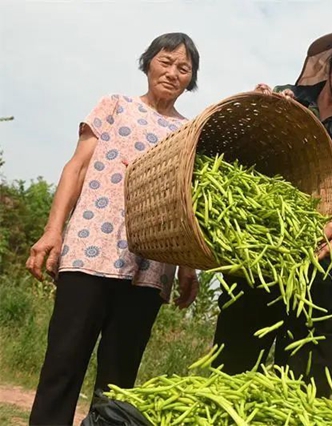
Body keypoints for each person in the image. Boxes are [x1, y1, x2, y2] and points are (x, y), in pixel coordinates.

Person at [212, 13, 332, 397]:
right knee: (230, 378)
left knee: (301, 392)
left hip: (323, 278)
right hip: (259, 262)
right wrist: (260, 114)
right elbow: (243, 163)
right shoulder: (287, 100)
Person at [25, 32, 201, 425]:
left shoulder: (189, 133)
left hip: (151, 266)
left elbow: (186, 205)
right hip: (91, 248)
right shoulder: (115, 106)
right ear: (148, 63)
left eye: (184, 68)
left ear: (191, 80)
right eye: (165, 61)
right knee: (63, 362)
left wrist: (189, 266)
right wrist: (53, 231)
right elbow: (76, 168)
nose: (173, 72)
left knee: (119, 381)